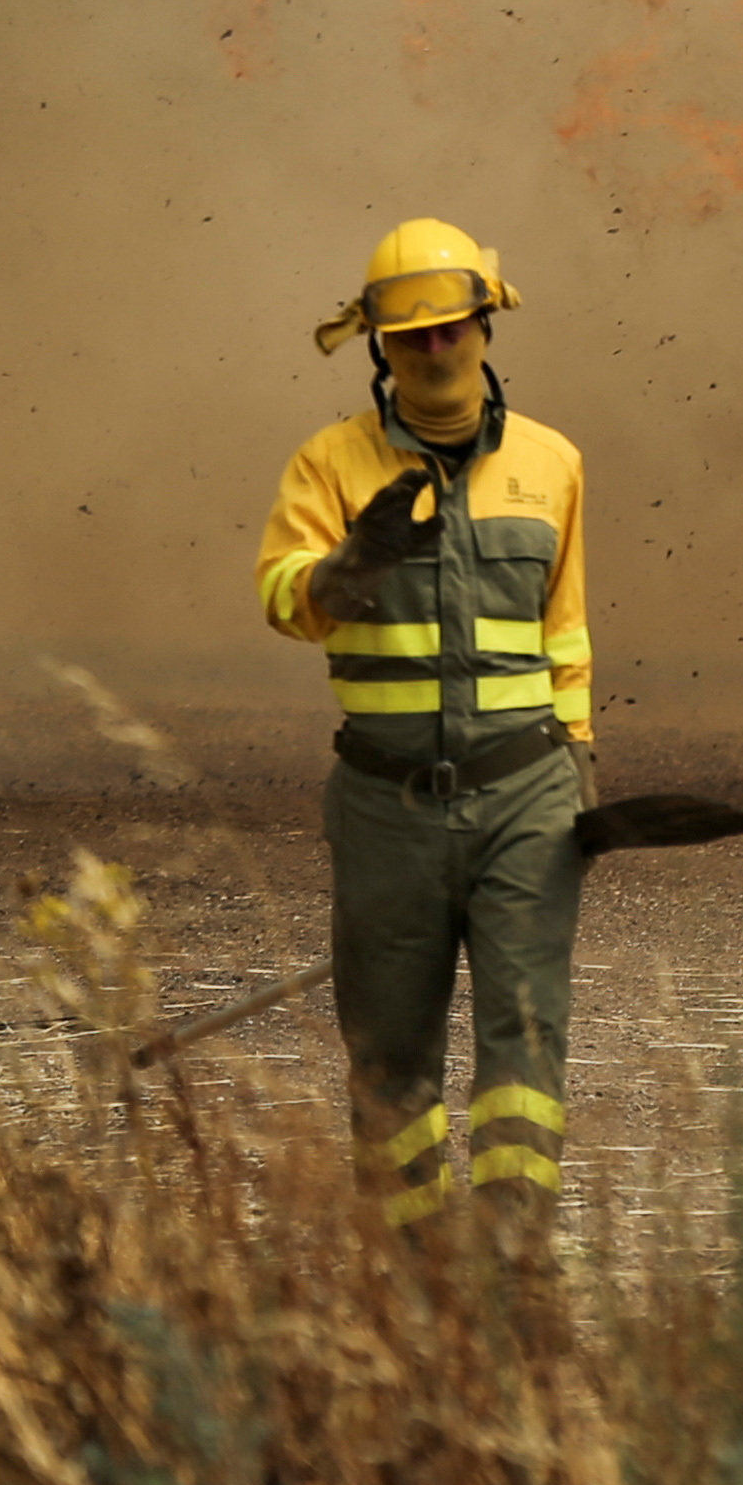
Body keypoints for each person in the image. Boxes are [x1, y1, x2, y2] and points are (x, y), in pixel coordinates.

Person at [254, 218, 598, 1245]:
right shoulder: (329, 467)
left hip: (525, 792)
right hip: (386, 805)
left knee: (524, 1037)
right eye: (413, 336)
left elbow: (565, 629)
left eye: (453, 328)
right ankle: (413, 1272)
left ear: (487, 324)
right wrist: (351, 562)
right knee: (390, 1053)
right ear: (376, 347)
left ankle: (510, 1260)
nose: (437, 351)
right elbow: (283, 600)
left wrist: (578, 765)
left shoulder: (551, 463)